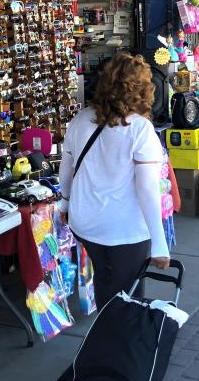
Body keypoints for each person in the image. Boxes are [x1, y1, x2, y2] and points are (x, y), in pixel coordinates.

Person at [58, 52, 170, 308]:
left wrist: (64, 205)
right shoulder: (140, 129)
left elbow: (66, 169)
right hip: (124, 229)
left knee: (106, 283)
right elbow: (147, 189)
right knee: (129, 296)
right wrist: (159, 243)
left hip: (85, 222)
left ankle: (106, 333)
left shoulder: (81, 119)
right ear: (144, 89)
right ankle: (119, 341)